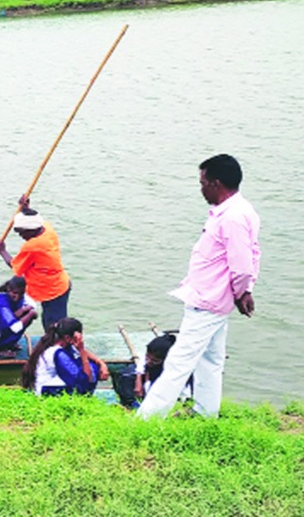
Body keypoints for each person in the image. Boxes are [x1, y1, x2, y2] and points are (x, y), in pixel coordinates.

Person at [138, 154, 260, 419]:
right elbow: (252, 254)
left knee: (179, 362)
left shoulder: (232, 217)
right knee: (211, 360)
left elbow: (242, 264)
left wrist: (243, 291)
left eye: (203, 182)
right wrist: (243, 291)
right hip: (214, 299)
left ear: (216, 184)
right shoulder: (237, 210)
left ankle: (147, 420)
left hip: (208, 301)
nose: (201, 188)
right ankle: (206, 413)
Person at [0, 196, 72, 332]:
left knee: (53, 327)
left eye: (21, 232)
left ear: (30, 230)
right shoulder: (47, 228)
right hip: (59, 283)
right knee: (49, 320)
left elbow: (16, 267)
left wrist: (2, 251)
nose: (20, 236)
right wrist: (26, 208)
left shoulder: (33, 246)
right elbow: (34, 220)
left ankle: (56, 348)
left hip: (53, 290)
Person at [22, 317, 109, 396]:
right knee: (85, 376)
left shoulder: (65, 345)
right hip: (48, 391)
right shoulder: (58, 353)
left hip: (53, 386)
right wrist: (81, 349)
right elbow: (83, 381)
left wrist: (101, 363)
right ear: (67, 338)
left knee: (93, 365)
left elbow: (86, 354)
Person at [114, 333, 192, 409]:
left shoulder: (176, 371)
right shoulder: (147, 364)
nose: (149, 361)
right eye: (147, 357)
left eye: (155, 360)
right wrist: (138, 380)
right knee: (126, 376)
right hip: (144, 394)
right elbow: (142, 364)